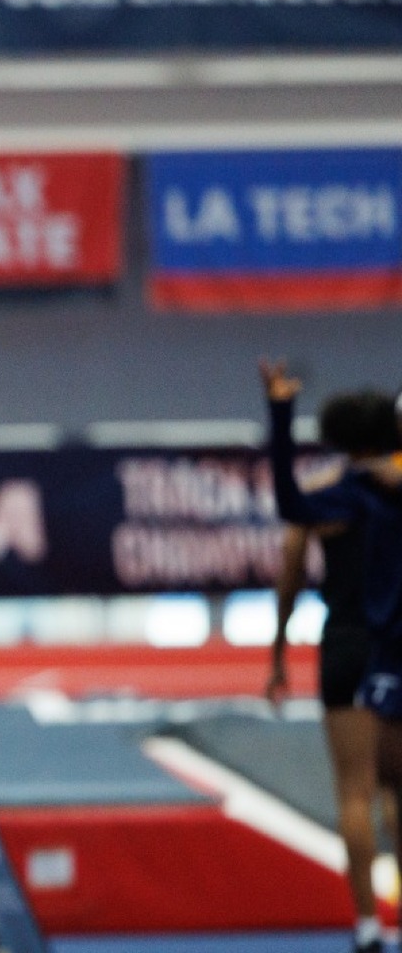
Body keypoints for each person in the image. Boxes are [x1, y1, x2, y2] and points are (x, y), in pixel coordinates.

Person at [261, 362, 402, 953]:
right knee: (398, 791)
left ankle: (368, 925)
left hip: (347, 646)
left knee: (355, 792)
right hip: (396, 647)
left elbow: (292, 532)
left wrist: (277, 651)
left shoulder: (336, 498)